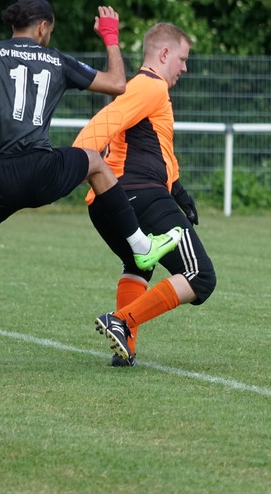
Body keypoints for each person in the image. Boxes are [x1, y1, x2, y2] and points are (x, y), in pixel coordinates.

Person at [0, 0, 182, 379]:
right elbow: (117, 84)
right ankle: (141, 246)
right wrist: (110, 37)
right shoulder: (57, 60)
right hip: (41, 173)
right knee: (95, 163)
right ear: (43, 27)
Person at [74, 22, 216, 366]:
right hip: (139, 197)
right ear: (164, 54)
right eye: (182, 59)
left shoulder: (148, 90)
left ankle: (125, 348)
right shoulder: (150, 85)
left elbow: (157, 150)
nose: (185, 67)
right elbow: (103, 123)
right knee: (200, 277)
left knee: (138, 265)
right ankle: (121, 321)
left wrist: (178, 191)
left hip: (108, 204)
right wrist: (75, 163)